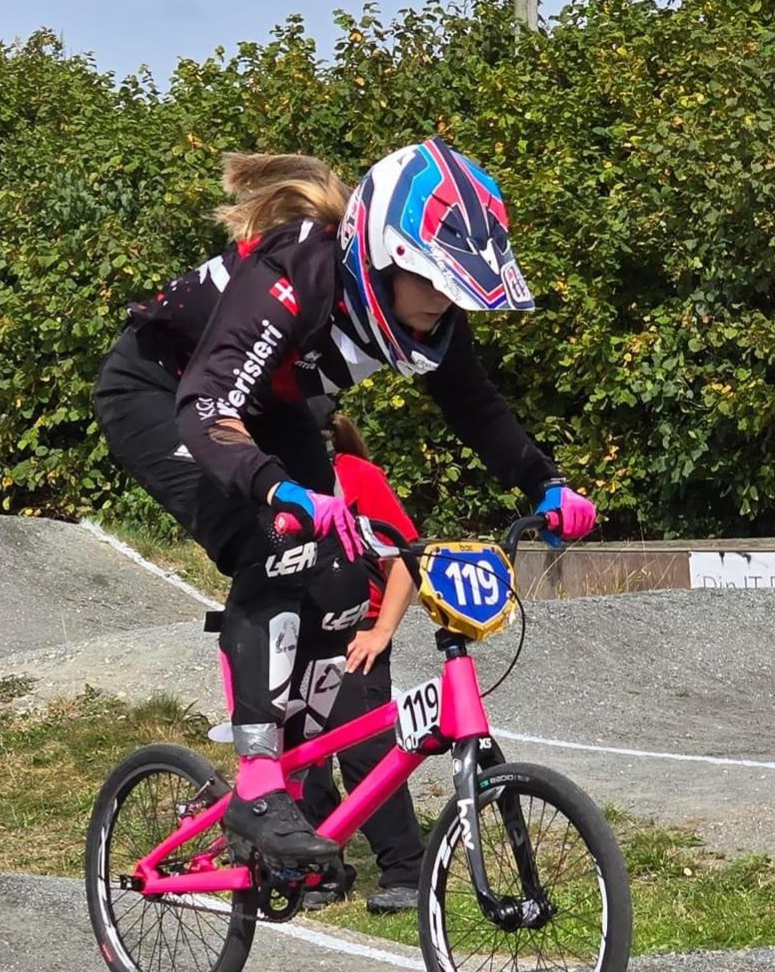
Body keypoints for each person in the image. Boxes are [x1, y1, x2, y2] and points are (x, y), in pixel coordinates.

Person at [93, 138, 597, 872]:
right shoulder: (292, 273)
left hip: (269, 410)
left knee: (341, 578)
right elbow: (208, 406)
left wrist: (546, 484)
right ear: (381, 256)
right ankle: (258, 782)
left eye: (457, 288)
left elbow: (477, 407)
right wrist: (276, 489)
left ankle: (297, 791)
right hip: (164, 393)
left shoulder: (428, 317)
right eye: (433, 282)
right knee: (277, 544)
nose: (443, 303)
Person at [299, 400, 427, 913]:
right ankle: (320, 868)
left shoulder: (355, 476)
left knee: (366, 756)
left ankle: (407, 870)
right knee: (302, 759)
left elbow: (405, 558)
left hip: (356, 634)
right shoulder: (275, 481)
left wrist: (381, 631)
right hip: (300, 635)